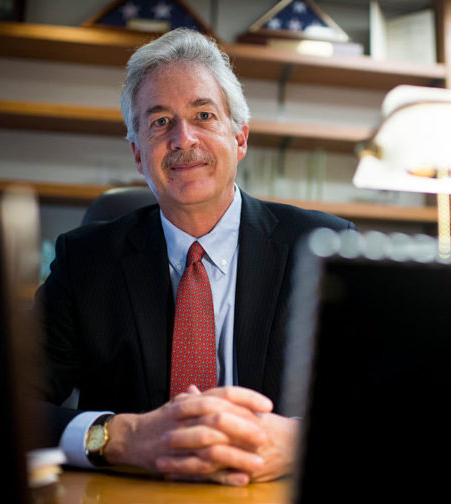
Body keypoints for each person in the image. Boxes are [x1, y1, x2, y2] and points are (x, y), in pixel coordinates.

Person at [33, 27, 355, 486]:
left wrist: (302, 441)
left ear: (240, 138)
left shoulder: (324, 247)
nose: (183, 138)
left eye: (203, 114)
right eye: (160, 121)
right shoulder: (86, 260)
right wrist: (118, 435)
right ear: (138, 156)